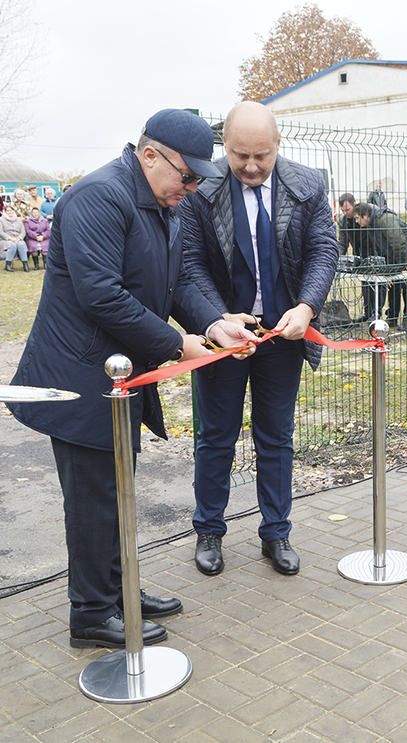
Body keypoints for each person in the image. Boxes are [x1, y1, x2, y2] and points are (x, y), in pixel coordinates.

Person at [6, 109, 256, 649]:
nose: (190, 188)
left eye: (196, 179)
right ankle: (92, 614)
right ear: (149, 154)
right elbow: (102, 295)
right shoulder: (98, 197)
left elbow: (174, 284)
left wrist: (214, 323)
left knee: (119, 488)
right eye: (185, 176)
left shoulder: (161, 203)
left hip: (121, 378)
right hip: (80, 378)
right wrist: (178, 344)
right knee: (95, 497)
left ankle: (119, 588)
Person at [181, 101, 339, 577]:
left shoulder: (307, 184)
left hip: (281, 337)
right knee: (215, 438)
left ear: (277, 146)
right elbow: (190, 264)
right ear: (224, 146)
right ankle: (209, 531)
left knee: (277, 437)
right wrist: (215, 319)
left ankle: (277, 533)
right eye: (238, 155)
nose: (250, 166)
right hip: (222, 338)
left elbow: (323, 249)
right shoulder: (200, 188)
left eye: (261, 157)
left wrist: (307, 307)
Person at [353, 201, 407, 328]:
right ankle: (392, 318)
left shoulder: (384, 219)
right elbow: (380, 248)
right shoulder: (372, 225)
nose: (355, 221)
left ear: (365, 215)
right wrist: (387, 270)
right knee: (393, 285)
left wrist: (402, 267)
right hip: (396, 256)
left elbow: (399, 243)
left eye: (356, 218)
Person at [338, 193, 385, 322]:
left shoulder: (367, 214)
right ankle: (367, 312)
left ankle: (377, 313)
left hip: (375, 250)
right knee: (365, 282)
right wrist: (339, 260)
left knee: (378, 282)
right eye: (342, 210)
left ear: (354, 205)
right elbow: (342, 243)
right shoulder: (343, 221)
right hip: (360, 252)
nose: (345, 213)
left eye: (347, 210)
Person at [0, 204, 28, 271]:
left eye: (11, 210)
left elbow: (23, 232)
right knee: (12, 245)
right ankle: (8, 264)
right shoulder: (1, 220)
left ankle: (25, 264)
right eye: (8, 211)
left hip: (18, 239)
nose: (10, 212)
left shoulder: (18, 220)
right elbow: (1, 232)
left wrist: (19, 238)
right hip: (5, 240)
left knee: (21, 244)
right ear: (5, 212)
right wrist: (11, 239)